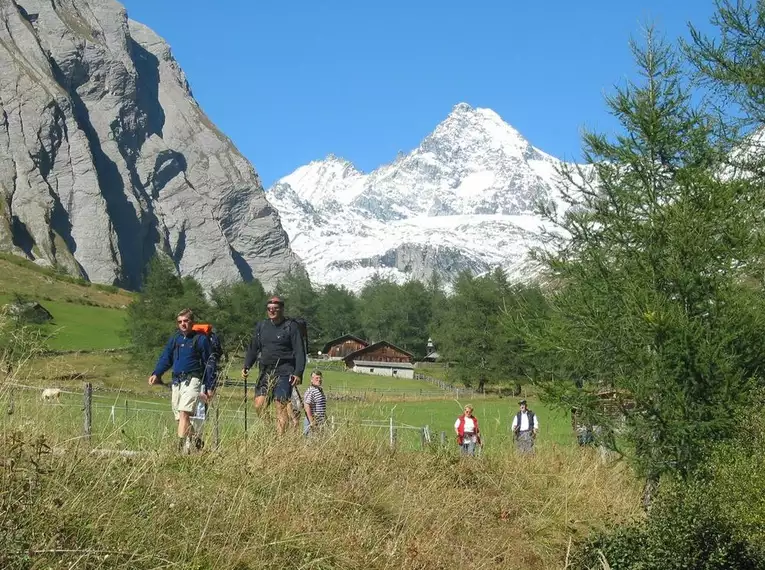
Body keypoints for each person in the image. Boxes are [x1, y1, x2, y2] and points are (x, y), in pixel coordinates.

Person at [148, 309, 216, 452]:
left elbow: (210, 363)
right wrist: (157, 373)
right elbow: (166, 357)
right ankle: (197, 440)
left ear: (192, 322)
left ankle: (178, 448)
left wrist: (210, 386)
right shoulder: (175, 339)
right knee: (180, 418)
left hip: (193, 380)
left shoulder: (200, 339)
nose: (183, 324)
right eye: (180, 322)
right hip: (177, 382)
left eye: (186, 321)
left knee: (184, 413)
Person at [242, 296, 306, 435]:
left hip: (285, 370)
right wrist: (247, 365)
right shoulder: (262, 326)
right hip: (265, 370)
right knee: (259, 405)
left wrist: (298, 372)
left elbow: (300, 351)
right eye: (269, 309)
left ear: (281, 309)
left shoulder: (291, 326)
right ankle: (270, 429)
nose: (272, 311)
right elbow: (254, 347)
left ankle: (279, 438)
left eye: (275, 309)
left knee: (280, 405)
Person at [303, 370, 327, 436]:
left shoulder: (319, 390)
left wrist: (325, 418)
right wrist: (311, 421)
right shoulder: (311, 390)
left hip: (320, 421)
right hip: (313, 421)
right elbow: (307, 405)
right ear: (311, 380)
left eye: (320, 378)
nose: (319, 380)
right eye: (317, 378)